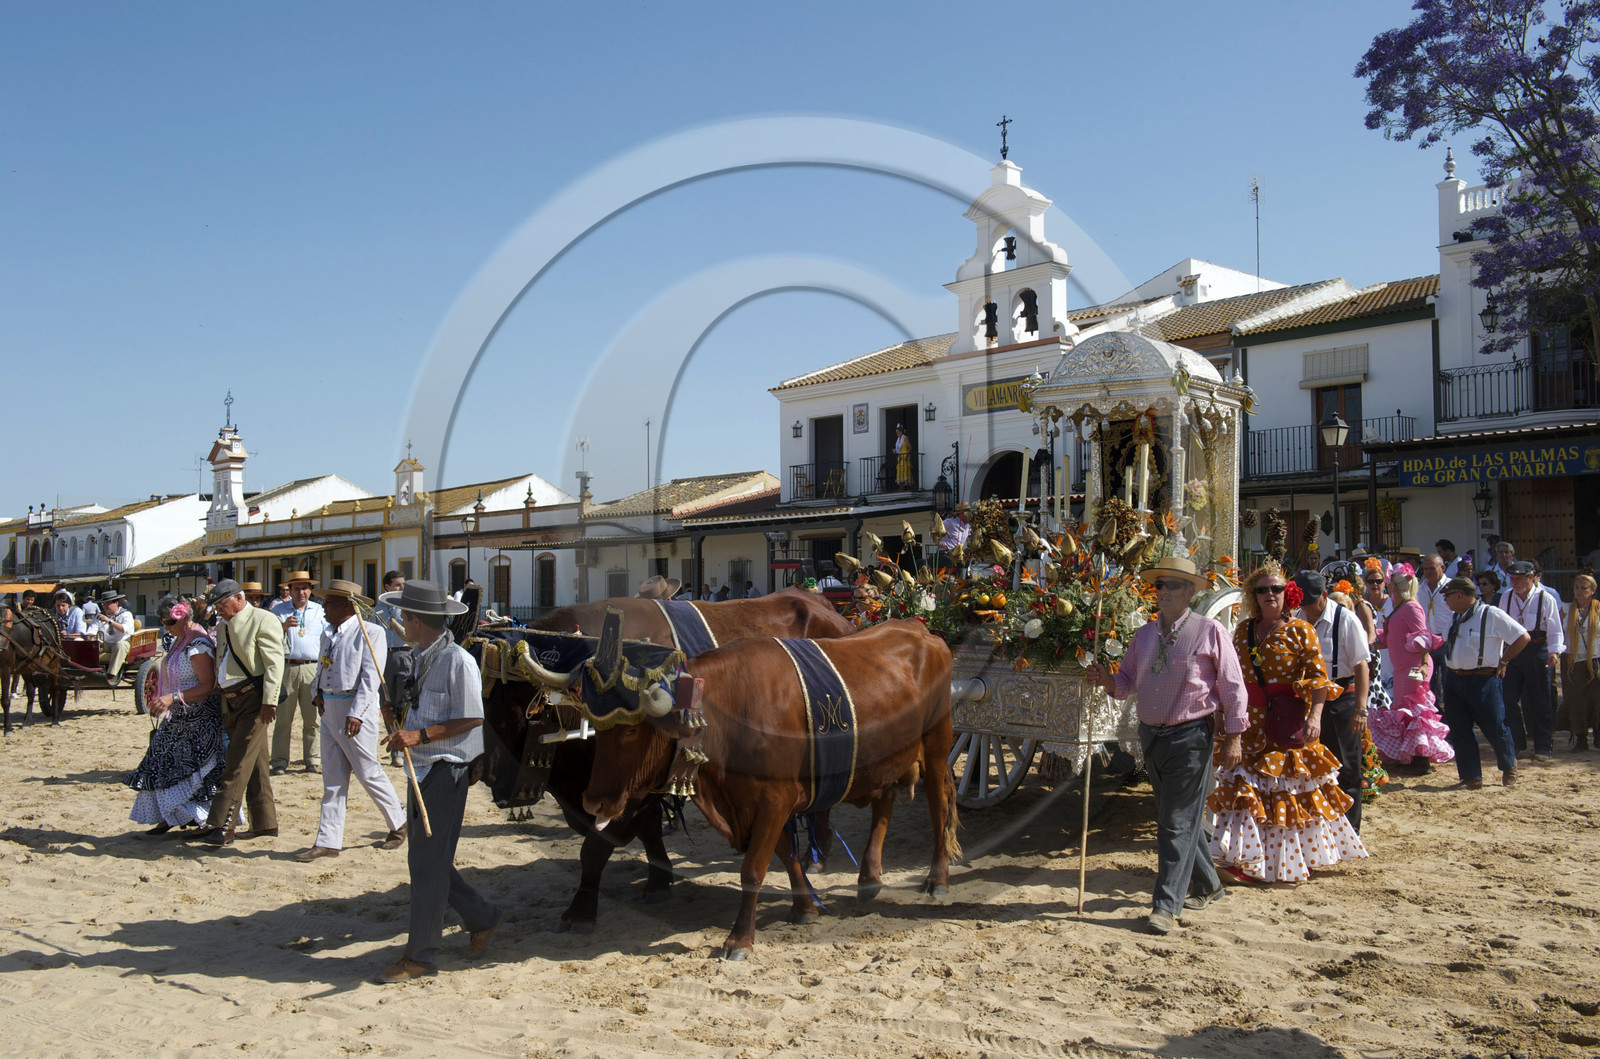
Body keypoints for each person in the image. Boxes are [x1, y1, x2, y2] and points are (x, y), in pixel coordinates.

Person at [1086, 557, 1247, 935]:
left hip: (1191, 737)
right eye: (1159, 586)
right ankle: (1209, 884)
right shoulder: (1143, 635)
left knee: (1174, 822)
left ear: (1191, 591)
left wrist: (1235, 736)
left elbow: (1232, 687)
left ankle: (1166, 905)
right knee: (1179, 818)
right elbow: (1125, 682)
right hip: (1150, 736)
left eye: (1172, 585)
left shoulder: (1209, 632)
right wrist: (1104, 679)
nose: (1163, 592)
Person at [376, 580, 501, 983]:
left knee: (426, 867)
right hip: (421, 768)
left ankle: (421, 957)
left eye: (404, 617)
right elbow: (420, 710)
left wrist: (420, 735)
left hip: (446, 770)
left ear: (416, 620)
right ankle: (481, 915)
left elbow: (472, 718)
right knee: (429, 861)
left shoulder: (458, 661)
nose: (400, 622)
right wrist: (397, 718)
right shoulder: (418, 656)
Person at [1212, 562, 1366, 883]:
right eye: (1262, 590)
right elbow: (1231, 679)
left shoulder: (1301, 630)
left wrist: (1315, 717)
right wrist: (1222, 716)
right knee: (1248, 793)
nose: (1270, 594)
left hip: (1288, 721)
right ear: (1253, 595)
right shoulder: (1242, 631)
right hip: (1250, 723)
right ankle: (1247, 860)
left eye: (1276, 589)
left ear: (1288, 594)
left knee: (1287, 796)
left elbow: (1318, 679)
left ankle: (1288, 861)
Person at [295, 580, 406, 861]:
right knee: (332, 779)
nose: (323, 608)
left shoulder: (371, 633)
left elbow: (371, 678)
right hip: (329, 706)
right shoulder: (327, 633)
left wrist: (357, 712)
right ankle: (328, 840)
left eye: (329, 603)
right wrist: (316, 692)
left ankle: (399, 823)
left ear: (347, 605)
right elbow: (322, 665)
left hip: (355, 708)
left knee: (368, 771)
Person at [192, 579, 286, 846]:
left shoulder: (262, 619)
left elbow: (274, 663)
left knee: (237, 762)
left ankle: (221, 825)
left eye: (221, 605)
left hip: (255, 701)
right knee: (255, 764)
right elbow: (223, 662)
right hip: (232, 701)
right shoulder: (223, 626)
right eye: (216, 606)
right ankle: (265, 824)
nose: (218, 611)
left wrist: (270, 701)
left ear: (238, 598)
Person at [126, 595, 228, 834]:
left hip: (200, 720)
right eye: (163, 622)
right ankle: (167, 816)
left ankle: (198, 818)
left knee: (193, 770)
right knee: (161, 761)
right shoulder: (178, 641)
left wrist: (171, 698)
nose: (165, 628)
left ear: (184, 619)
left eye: (168, 623)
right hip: (180, 716)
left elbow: (207, 684)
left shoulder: (198, 645)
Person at [1294, 571, 1372, 833]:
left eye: (1311, 600)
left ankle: (1350, 829)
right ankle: (1321, 827)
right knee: (1311, 766)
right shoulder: (1297, 618)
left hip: (1341, 698)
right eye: (1302, 601)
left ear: (1325, 595)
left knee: (1346, 767)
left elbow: (1362, 665)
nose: (1306, 607)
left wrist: (1360, 709)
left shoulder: (1346, 619)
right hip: (1307, 699)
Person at [1440, 577, 1530, 788]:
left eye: (1447, 596)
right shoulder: (1455, 617)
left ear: (1459, 595)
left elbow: (1522, 637)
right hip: (1454, 678)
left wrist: (1505, 660)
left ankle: (1509, 766)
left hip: (1482, 679)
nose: (1446, 601)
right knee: (1460, 729)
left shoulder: (1490, 614)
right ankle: (1471, 776)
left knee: (1494, 726)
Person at [1369, 564, 1453, 771]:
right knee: (1405, 712)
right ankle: (1412, 756)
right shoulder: (1401, 607)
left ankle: (1420, 760)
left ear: (1393, 587)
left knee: (1415, 711)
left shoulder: (1411, 607)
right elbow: (1392, 638)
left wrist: (1424, 664)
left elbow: (1422, 636)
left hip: (1413, 667)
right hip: (1403, 668)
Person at [1498, 560, 1563, 760]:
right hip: (1513, 650)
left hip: (1537, 648)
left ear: (1531, 577)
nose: (1514, 582)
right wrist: (1500, 656)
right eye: (1512, 578)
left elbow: (1554, 629)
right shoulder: (1506, 598)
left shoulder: (1546, 598)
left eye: (1519, 579)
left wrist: (1554, 652)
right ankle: (1518, 742)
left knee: (1540, 699)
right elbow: (1500, 628)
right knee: (1507, 698)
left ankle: (1543, 745)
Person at [271, 570, 326, 775]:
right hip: (288, 667)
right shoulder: (278, 612)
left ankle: (312, 759)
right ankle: (278, 761)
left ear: (310, 590)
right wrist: (283, 627)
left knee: (312, 718)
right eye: (296, 588)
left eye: (304, 588)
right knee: (283, 718)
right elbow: (268, 638)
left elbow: (328, 637)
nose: (300, 592)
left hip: (313, 667)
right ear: (290, 590)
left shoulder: (319, 611)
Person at [373, 570, 412, 766]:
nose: (401, 588)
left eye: (403, 585)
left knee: (403, 701)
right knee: (387, 702)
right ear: (387, 587)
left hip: (405, 655)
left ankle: (405, 746)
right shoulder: (376, 610)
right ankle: (396, 749)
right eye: (397, 585)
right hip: (383, 657)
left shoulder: (407, 607)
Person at [1562, 574, 1600, 752]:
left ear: (1593, 591)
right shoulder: (1566, 609)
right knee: (1577, 700)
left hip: (1596, 660)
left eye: (1584, 588)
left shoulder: (1599, 609)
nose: (1579, 591)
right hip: (1573, 660)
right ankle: (1580, 738)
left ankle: (1598, 738)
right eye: (1577, 587)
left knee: (1597, 699)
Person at [1419, 554, 1453, 706]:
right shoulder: (1420, 588)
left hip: (1446, 641)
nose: (1428, 572)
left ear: (1442, 568)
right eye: (1425, 569)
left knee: (1448, 682)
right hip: (1427, 642)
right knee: (1429, 683)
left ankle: (1451, 716)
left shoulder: (1452, 587)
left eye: (1432, 568)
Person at [93, 590, 136, 680]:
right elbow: (91, 630)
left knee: (120, 645)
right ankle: (90, 671)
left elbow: (124, 629)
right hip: (105, 643)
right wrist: (90, 637)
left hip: (121, 642)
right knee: (91, 645)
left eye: (108, 604)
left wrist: (109, 621)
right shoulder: (100, 616)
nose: (105, 607)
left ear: (116, 603)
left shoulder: (126, 614)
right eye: (103, 604)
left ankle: (111, 675)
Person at [893, 423, 913, 489]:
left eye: (897, 432)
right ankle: (901, 485)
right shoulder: (898, 440)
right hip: (900, 457)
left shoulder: (905, 438)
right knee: (900, 470)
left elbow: (909, 447)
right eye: (896, 432)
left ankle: (906, 485)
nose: (896, 433)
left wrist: (907, 454)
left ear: (901, 432)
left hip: (905, 456)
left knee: (905, 470)